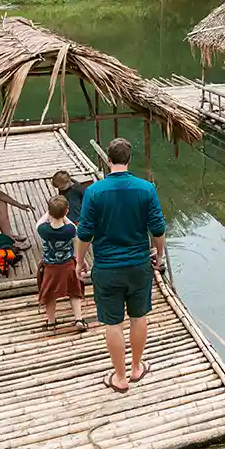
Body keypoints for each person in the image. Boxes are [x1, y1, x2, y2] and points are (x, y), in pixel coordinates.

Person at [76, 138, 166, 394]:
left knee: (113, 324)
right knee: (139, 318)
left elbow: (84, 234)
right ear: (129, 160)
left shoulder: (94, 192)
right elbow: (158, 229)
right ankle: (137, 367)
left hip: (106, 267)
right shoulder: (146, 189)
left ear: (107, 160)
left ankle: (120, 377)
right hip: (138, 266)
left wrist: (79, 263)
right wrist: (158, 257)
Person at [36, 194, 87, 332]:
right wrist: (64, 216)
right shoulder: (70, 230)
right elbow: (74, 231)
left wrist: (49, 213)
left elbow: (38, 223)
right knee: (74, 292)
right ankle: (78, 318)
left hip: (50, 268)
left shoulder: (43, 229)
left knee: (50, 294)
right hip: (68, 265)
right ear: (67, 211)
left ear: (49, 211)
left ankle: (51, 321)